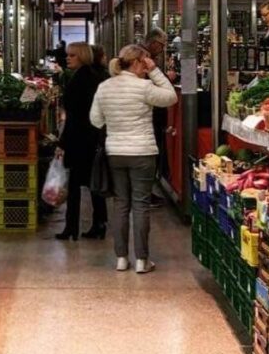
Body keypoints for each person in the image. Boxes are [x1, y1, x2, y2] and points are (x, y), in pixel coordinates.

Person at [90, 43, 178, 274]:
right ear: (138, 62)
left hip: (115, 152)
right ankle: (142, 260)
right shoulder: (144, 87)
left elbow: (96, 120)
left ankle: (121, 258)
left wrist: (115, 123)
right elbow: (170, 97)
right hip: (142, 152)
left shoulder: (105, 87)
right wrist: (156, 71)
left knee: (120, 204)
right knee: (141, 205)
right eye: (146, 62)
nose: (148, 66)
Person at [56, 42, 108, 241]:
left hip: (80, 140)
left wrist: (62, 142)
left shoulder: (80, 81)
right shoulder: (92, 77)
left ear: (83, 57)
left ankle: (72, 227)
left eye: (72, 55)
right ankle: (98, 223)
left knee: (75, 185)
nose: (67, 58)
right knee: (94, 184)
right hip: (92, 138)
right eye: (68, 55)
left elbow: (75, 117)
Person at [144, 28, 170, 207]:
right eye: (161, 45)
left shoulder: (146, 57)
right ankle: (146, 195)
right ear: (153, 43)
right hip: (151, 112)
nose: (162, 49)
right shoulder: (145, 59)